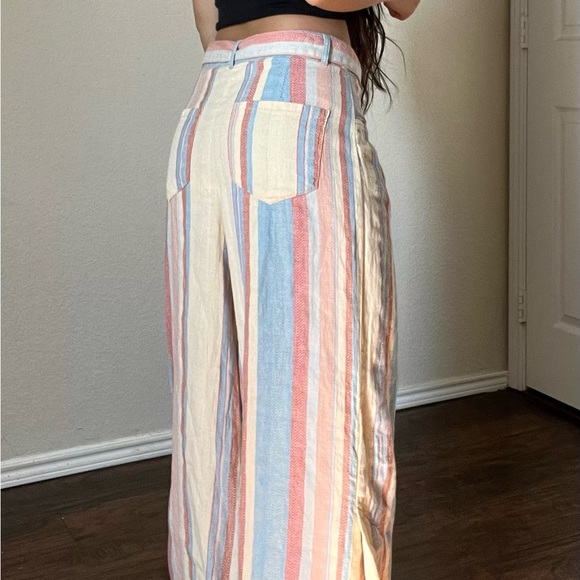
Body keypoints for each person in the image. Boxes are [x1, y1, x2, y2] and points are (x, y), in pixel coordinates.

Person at [163, 0, 420, 578]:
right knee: (320, 422)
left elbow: (206, 16)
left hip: (207, 113)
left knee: (210, 421)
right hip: (293, 101)